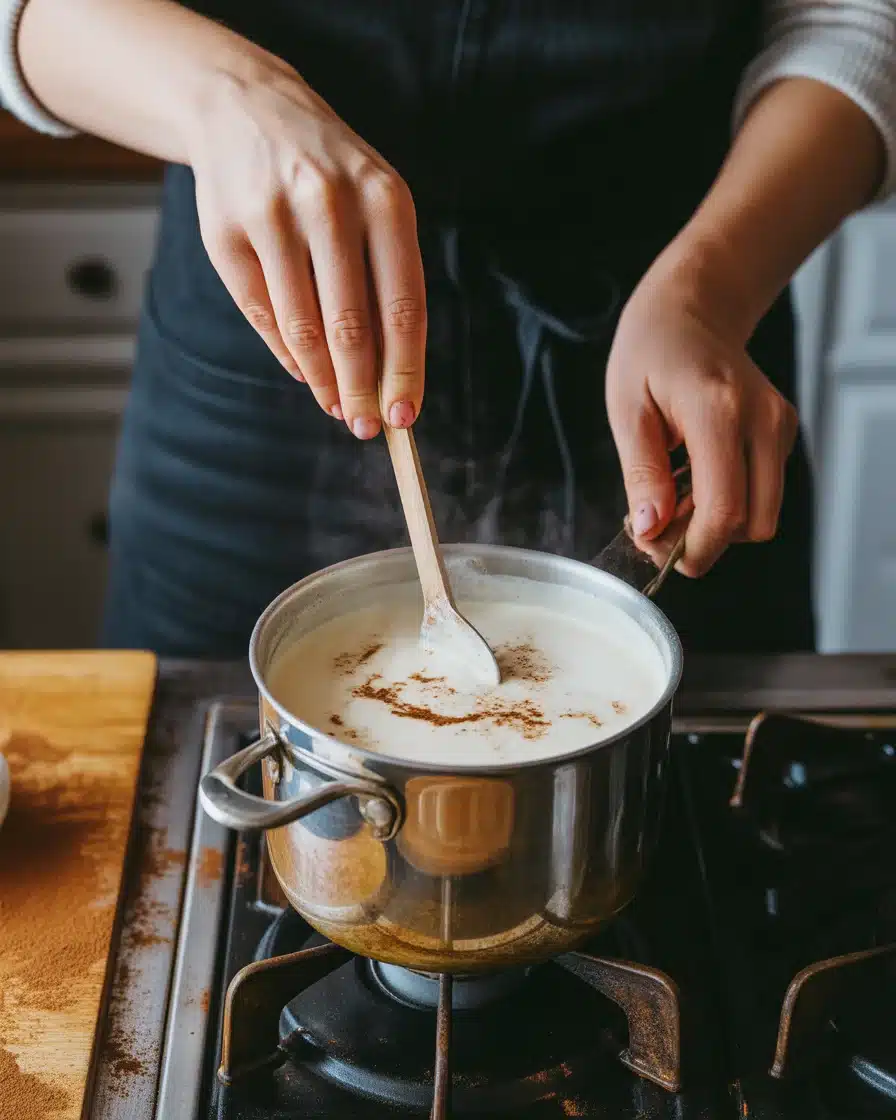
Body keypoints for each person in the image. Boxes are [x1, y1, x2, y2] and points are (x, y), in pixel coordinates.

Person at [2, 0, 893, 657]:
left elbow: (854, 17)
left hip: (677, 340)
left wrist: (713, 286)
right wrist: (231, 96)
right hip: (269, 353)